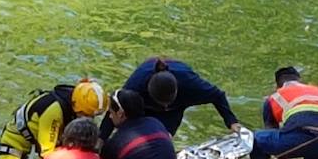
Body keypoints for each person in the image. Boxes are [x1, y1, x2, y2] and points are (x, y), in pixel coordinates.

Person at [0, 79, 109, 159]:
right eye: (86, 115)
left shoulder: (78, 101)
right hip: (16, 139)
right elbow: (47, 153)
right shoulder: (53, 112)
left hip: (47, 136)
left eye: (94, 116)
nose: (89, 119)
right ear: (76, 106)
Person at [98, 58, 241, 140]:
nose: (164, 106)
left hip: (175, 110)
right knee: (131, 133)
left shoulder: (192, 84)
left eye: (167, 103)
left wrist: (232, 122)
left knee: (161, 139)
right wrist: (100, 139)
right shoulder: (137, 85)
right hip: (145, 106)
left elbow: (218, 95)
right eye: (162, 103)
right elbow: (115, 108)